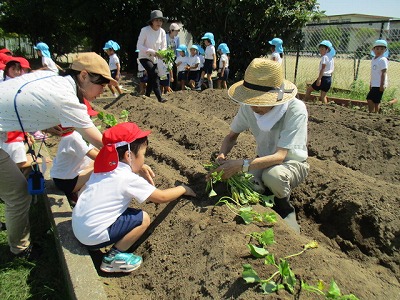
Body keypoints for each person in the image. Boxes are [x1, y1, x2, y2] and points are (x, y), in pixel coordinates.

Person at [0, 52, 119, 259]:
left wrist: (45, 124)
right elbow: (98, 141)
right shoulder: (66, 98)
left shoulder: (55, 78)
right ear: (83, 75)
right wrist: (129, 152)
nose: (103, 90)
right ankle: (20, 251)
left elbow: (27, 103)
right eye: (101, 84)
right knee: (18, 194)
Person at [72, 122, 196, 273]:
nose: (144, 160)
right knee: (143, 218)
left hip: (79, 227)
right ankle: (113, 258)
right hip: (91, 236)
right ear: (129, 155)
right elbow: (161, 197)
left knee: (125, 213)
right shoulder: (127, 178)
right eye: (143, 155)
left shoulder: (103, 169)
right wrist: (183, 189)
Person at [212, 58, 309, 233]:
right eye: (252, 101)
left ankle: (284, 208)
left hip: (291, 163)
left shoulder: (295, 110)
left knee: (274, 176)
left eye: (260, 101)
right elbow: (231, 136)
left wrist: (241, 165)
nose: (255, 106)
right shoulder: (249, 107)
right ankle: (264, 199)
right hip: (263, 160)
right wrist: (222, 156)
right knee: (250, 184)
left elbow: (280, 156)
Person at [50, 99, 100, 206]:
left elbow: (95, 150)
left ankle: (78, 192)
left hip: (65, 176)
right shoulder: (74, 138)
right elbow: (97, 157)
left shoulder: (78, 134)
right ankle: (80, 196)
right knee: (101, 167)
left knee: (96, 164)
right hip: (65, 182)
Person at [137, 10, 168, 103]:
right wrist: (153, 51)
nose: (159, 23)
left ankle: (147, 95)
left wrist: (162, 53)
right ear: (152, 21)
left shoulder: (162, 32)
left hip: (155, 58)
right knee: (154, 73)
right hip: (144, 57)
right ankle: (159, 97)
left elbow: (164, 46)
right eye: (157, 20)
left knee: (152, 75)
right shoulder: (145, 30)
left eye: (161, 21)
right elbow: (139, 46)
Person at [305, 40, 335, 104]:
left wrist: (319, 79)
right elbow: (331, 70)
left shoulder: (324, 57)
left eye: (322, 49)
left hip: (323, 78)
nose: (320, 50)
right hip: (328, 79)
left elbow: (323, 68)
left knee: (309, 90)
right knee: (323, 96)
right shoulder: (331, 58)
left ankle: (304, 103)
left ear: (327, 49)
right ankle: (326, 108)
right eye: (320, 49)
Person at [367, 39, 389, 113]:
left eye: (382, 49)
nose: (379, 50)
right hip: (375, 83)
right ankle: (376, 114)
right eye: (377, 48)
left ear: (385, 50)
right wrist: (371, 83)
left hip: (379, 84)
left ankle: (372, 113)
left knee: (370, 98)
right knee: (376, 100)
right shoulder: (374, 59)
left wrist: (382, 84)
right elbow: (373, 73)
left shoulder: (383, 59)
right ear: (373, 49)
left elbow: (384, 72)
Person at [167, 23, 181, 90]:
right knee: (168, 72)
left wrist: (178, 59)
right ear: (172, 30)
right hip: (167, 57)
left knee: (175, 72)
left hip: (174, 57)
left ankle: (174, 88)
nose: (177, 32)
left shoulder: (177, 38)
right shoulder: (165, 37)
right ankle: (167, 87)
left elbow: (178, 49)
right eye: (176, 31)